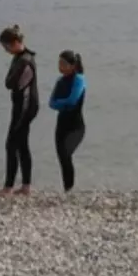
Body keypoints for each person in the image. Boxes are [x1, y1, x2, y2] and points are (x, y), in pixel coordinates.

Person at [0, 25, 38, 196]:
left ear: (15, 43)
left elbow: (10, 83)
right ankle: (26, 186)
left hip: (25, 106)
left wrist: (10, 79)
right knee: (22, 144)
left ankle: (8, 187)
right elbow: (10, 81)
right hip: (23, 104)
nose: (5, 50)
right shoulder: (20, 57)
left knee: (11, 144)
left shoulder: (24, 60)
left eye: (6, 46)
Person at [48, 50, 87, 192]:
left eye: (63, 63)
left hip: (76, 126)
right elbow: (51, 103)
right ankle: (67, 189)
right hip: (61, 125)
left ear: (72, 65)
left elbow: (72, 100)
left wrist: (61, 103)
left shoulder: (79, 80)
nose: (60, 66)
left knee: (66, 154)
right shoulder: (60, 81)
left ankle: (70, 188)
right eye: (59, 63)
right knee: (62, 158)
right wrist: (61, 103)